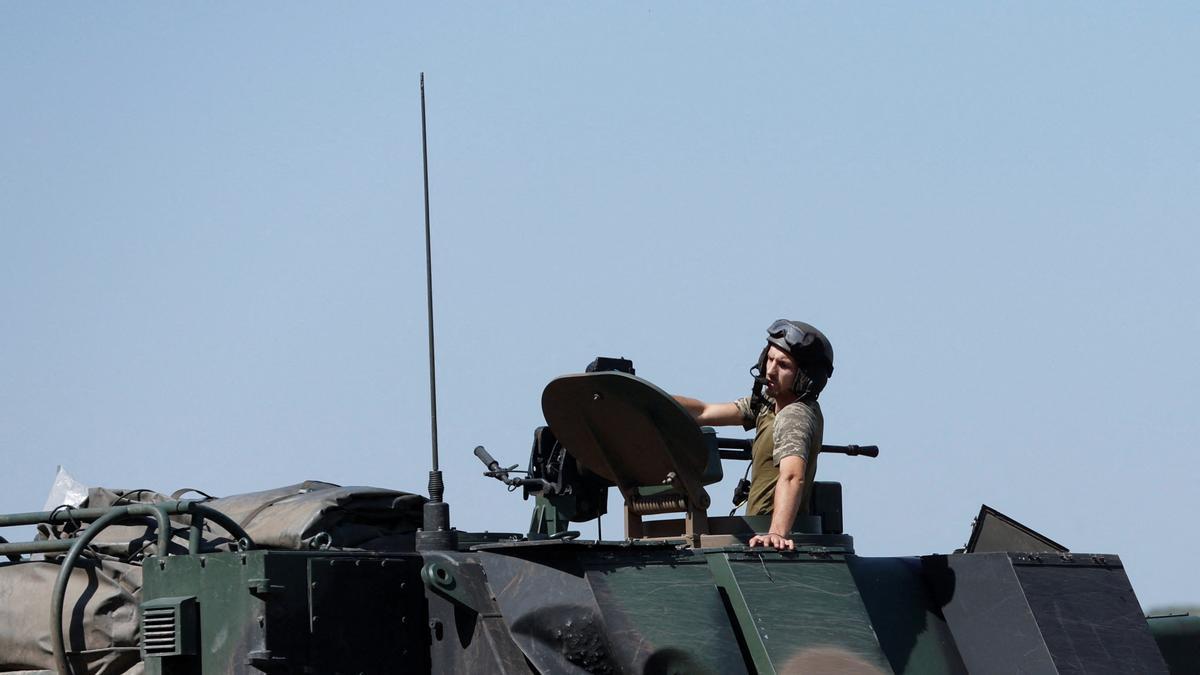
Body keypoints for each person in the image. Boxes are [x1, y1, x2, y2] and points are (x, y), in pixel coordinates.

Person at [675, 319, 834, 550]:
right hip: (758, 528)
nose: (770, 370)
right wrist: (651, 399)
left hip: (770, 532)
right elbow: (704, 412)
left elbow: (792, 476)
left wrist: (777, 533)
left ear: (805, 376)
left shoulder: (794, 416)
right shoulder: (767, 404)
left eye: (783, 365)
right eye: (769, 359)